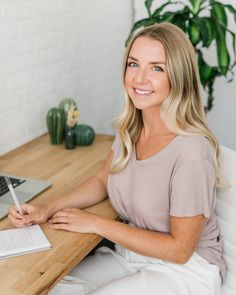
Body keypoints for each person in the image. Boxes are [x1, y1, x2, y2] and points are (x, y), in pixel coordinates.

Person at [9, 22, 225, 295]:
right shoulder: (132, 128)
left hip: (185, 270)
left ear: (179, 77)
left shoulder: (191, 152)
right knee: (56, 289)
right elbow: (103, 180)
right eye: (134, 64)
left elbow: (180, 250)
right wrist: (46, 208)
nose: (139, 78)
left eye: (157, 67)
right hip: (132, 254)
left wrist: (96, 223)